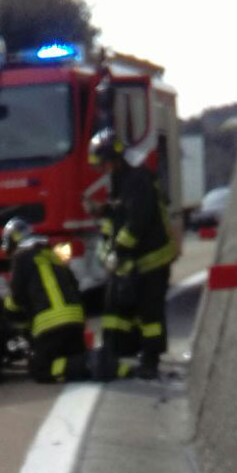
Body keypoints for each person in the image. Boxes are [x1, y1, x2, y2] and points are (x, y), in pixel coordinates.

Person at [88, 130, 177, 380]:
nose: (102, 169)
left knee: (150, 314)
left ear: (114, 158)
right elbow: (117, 219)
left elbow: (137, 222)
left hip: (153, 260)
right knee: (117, 309)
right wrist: (106, 239)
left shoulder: (138, 180)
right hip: (132, 261)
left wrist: (119, 250)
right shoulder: (119, 181)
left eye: (103, 163)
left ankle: (151, 360)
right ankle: (114, 352)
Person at [0, 218, 125, 383]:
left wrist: (6, 313)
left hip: (50, 326)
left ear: (12, 243)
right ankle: (99, 362)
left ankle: (89, 362)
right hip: (75, 322)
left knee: (40, 369)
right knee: (69, 359)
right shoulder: (52, 254)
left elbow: (16, 299)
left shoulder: (20, 258)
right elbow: (74, 284)